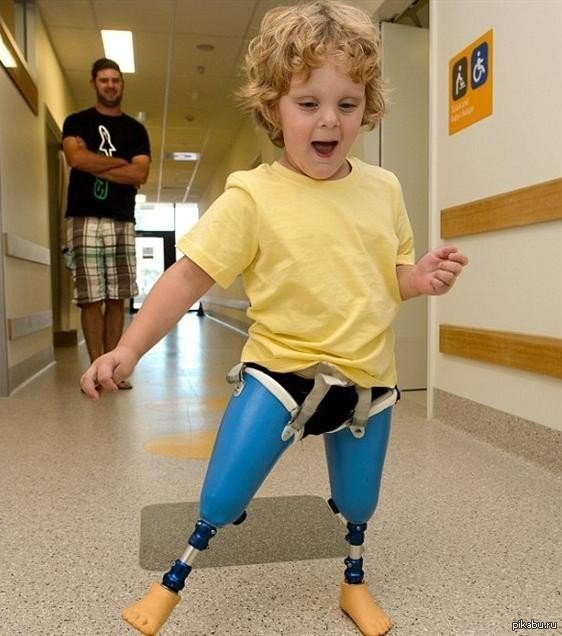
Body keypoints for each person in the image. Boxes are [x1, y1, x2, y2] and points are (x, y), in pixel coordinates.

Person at [80, 2, 468, 635]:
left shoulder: (385, 189)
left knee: (359, 501)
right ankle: (170, 583)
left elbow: (389, 275)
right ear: (273, 107)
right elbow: (188, 277)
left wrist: (418, 279)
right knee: (223, 495)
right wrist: (129, 350)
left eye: (347, 104)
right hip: (280, 373)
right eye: (307, 102)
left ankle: (353, 583)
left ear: (367, 106)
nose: (329, 119)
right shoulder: (252, 195)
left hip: (366, 379)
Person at [62, 57, 151, 387]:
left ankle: (112, 369)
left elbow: (140, 173)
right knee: (90, 297)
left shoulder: (135, 130)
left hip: (120, 218)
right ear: (94, 83)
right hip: (83, 217)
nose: (110, 85)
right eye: (104, 80)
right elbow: (75, 158)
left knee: (116, 297)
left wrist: (93, 161)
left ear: (122, 84)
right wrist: (120, 165)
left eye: (115, 80)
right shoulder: (76, 121)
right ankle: (94, 370)